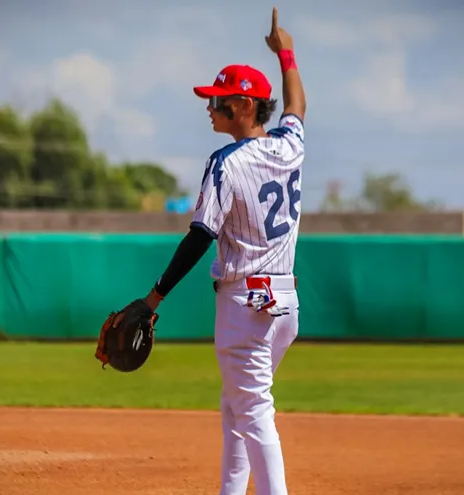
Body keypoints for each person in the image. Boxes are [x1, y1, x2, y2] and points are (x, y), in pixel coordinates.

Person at [136, 8, 305, 494]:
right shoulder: (290, 145)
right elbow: (297, 105)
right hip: (283, 300)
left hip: (245, 300)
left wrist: (154, 298)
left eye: (219, 101)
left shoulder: (225, 163)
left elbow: (200, 236)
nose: (210, 108)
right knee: (237, 405)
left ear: (246, 107)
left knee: (253, 410)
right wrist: (287, 54)